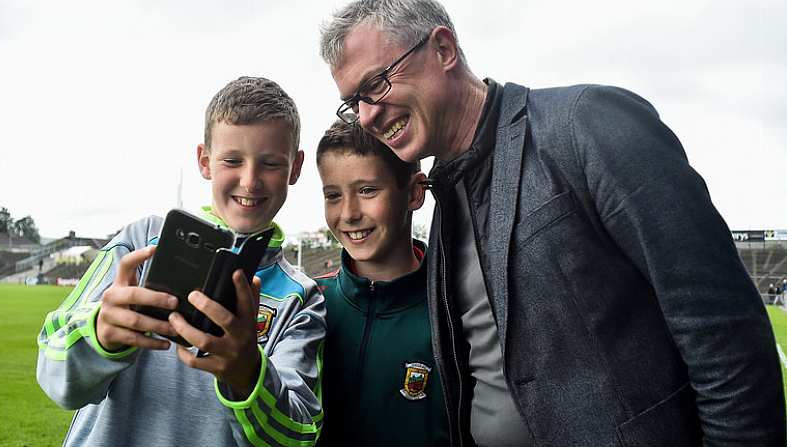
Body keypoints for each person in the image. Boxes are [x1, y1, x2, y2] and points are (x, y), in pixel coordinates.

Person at [319, 1, 785, 445]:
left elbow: (724, 330)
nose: (366, 115)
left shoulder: (584, 125)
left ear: (443, 49)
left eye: (376, 84)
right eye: (353, 102)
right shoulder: (445, 199)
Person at [36, 77, 325, 447]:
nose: (250, 181)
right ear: (205, 162)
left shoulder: (300, 298)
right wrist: (100, 333)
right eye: (232, 160)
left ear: (296, 167)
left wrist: (248, 374)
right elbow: (52, 370)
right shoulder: (141, 244)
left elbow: (298, 436)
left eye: (270, 163)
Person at [313, 120, 449, 446]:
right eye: (333, 195)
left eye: (367, 190)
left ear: (415, 192)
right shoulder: (308, 303)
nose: (349, 213)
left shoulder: (456, 308)